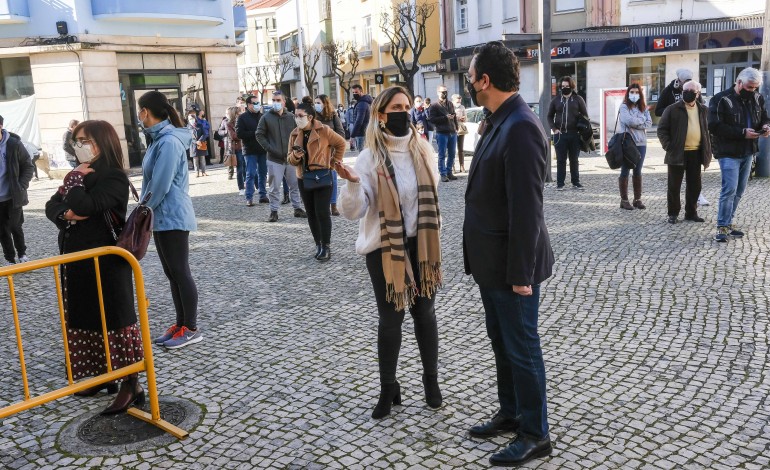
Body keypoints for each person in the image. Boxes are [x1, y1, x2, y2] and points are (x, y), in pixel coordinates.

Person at [463, 41, 554, 467]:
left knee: (522, 347)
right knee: (502, 344)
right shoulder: (498, 119)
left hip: (511, 267)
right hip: (491, 264)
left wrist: (521, 272)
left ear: (485, 80)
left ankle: (536, 433)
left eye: (471, 76)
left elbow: (527, 209)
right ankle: (511, 412)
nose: (468, 83)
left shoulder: (520, 125)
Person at [337, 85, 443, 420]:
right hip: (384, 249)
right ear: (381, 115)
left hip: (421, 245)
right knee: (391, 319)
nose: (404, 112)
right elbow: (353, 212)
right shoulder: (368, 157)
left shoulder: (423, 149)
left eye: (407, 106)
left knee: (424, 314)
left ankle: (430, 380)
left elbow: (432, 194)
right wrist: (353, 183)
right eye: (396, 107)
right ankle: (388, 388)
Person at [44, 120, 144, 415]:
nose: (78, 146)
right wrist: (68, 213)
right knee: (87, 318)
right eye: (76, 140)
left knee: (116, 321)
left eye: (84, 140)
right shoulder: (78, 174)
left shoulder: (113, 176)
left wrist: (74, 188)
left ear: (101, 142)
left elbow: (87, 206)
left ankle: (131, 383)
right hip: (76, 261)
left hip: (108, 262)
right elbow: (52, 206)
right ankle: (105, 378)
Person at [137, 91, 201, 349]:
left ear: (146, 112)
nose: (138, 115)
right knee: (172, 272)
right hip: (161, 215)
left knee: (180, 272)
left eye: (140, 110)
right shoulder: (158, 139)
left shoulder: (169, 141)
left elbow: (161, 183)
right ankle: (180, 323)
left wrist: (142, 210)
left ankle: (191, 327)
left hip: (172, 214)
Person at [708, 67, 770, 242]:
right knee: (729, 189)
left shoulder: (758, 98)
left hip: (748, 150)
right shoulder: (720, 99)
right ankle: (721, 227)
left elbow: (765, 117)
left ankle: (728, 223)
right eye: (750, 87)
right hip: (728, 152)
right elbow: (714, 126)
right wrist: (742, 132)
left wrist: (765, 127)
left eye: (755, 87)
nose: (753, 91)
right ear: (739, 82)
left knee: (740, 190)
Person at [288, 98, 347, 261]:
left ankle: (326, 246)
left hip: (322, 176)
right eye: (295, 115)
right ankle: (318, 244)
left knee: (322, 212)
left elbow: (341, 144)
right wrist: (295, 156)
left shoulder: (324, 130)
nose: (297, 118)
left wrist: (333, 163)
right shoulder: (294, 134)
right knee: (311, 213)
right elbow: (289, 160)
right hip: (303, 178)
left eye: (300, 115)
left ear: (310, 117)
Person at [658, 81, 711, 224]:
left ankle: (691, 213)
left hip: (696, 153)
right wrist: (669, 146)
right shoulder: (672, 109)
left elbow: (708, 131)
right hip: (677, 153)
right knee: (674, 185)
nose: (687, 92)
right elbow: (662, 130)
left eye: (691, 90)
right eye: (685, 90)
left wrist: (708, 149)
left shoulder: (703, 110)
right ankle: (673, 213)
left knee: (695, 185)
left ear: (698, 93)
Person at [256, 90, 307, 222]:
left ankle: (297, 208)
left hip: (291, 158)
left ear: (284, 102)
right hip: (274, 158)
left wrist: (297, 149)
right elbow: (259, 134)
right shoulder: (266, 117)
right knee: (274, 187)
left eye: (278, 100)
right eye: (273, 100)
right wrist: (269, 148)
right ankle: (274, 211)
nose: (275, 103)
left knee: (295, 185)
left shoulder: (291, 117)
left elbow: (300, 132)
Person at [0, 115, 34, 265]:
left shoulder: (14, 144)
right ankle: (9, 258)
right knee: (2, 230)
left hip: (13, 195)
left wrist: (21, 186)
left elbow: (28, 166)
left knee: (14, 226)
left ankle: (22, 253)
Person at [547, 75, 588, 190]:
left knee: (574, 159)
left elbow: (585, 116)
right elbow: (549, 116)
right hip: (560, 135)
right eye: (563, 86)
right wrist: (554, 129)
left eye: (567, 86)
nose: (565, 88)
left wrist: (582, 128)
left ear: (571, 86)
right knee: (561, 160)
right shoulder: (555, 100)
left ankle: (576, 182)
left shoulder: (578, 99)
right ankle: (560, 183)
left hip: (574, 134)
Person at [617, 83, 652, 210]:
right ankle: (624, 200)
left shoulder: (644, 107)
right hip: (628, 142)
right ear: (628, 93)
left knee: (638, 170)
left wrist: (637, 122)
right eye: (632, 92)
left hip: (642, 143)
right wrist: (640, 121)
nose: (634, 94)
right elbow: (628, 121)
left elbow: (649, 123)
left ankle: (637, 199)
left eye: (637, 92)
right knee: (625, 169)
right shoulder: (624, 107)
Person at [314, 94, 346, 217]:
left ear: (325, 103)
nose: (316, 105)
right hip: (316, 154)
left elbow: (341, 133)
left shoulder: (333, 116)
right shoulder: (313, 117)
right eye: (315, 103)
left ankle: (333, 205)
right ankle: (322, 205)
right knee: (319, 179)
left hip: (331, 153)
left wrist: (334, 145)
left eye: (318, 103)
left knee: (332, 180)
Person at [236, 95, 268, 205]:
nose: (257, 105)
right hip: (249, 150)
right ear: (249, 105)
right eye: (255, 103)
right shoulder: (242, 117)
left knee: (263, 173)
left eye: (258, 102)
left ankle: (263, 195)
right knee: (250, 173)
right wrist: (255, 133)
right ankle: (249, 197)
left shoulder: (263, 116)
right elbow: (239, 133)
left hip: (262, 149)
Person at [427, 85, 459, 182]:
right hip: (442, 133)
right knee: (442, 154)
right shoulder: (434, 106)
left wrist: (456, 127)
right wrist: (445, 118)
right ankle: (443, 174)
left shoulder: (450, 104)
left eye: (445, 91)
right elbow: (431, 119)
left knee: (452, 154)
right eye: (442, 92)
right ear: (438, 93)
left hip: (452, 132)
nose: (444, 93)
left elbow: (454, 115)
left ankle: (449, 172)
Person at [223, 107, 243, 186]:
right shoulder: (228, 123)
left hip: (245, 147)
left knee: (248, 168)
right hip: (237, 148)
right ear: (235, 114)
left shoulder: (242, 121)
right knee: (240, 168)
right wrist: (245, 134)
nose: (240, 114)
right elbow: (234, 136)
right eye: (238, 112)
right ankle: (241, 186)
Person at [350, 84, 373, 151]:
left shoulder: (362, 104)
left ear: (361, 91)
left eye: (356, 92)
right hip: (366, 131)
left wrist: (352, 135)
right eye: (353, 92)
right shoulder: (367, 102)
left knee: (362, 154)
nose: (354, 94)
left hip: (361, 133)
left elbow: (359, 121)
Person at [187, 112, 208, 177]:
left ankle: (203, 172)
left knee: (202, 159)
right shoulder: (188, 127)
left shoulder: (200, 125)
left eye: (192, 118)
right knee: (195, 160)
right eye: (190, 119)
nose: (191, 120)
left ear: (195, 119)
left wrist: (200, 140)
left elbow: (205, 134)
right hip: (193, 145)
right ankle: (197, 172)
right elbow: (188, 137)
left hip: (201, 144)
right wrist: (195, 142)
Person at [452, 94, 468, 173]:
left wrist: (463, 118)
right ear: (453, 101)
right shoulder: (450, 107)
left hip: (461, 129)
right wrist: (456, 117)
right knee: (452, 149)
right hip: (452, 129)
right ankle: (452, 166)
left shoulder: (462, 107)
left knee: (460, 149)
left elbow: (466, 118)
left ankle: (462, 166)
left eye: (460, 101)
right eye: (457, 101)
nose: (459, 103)